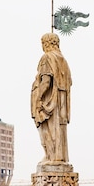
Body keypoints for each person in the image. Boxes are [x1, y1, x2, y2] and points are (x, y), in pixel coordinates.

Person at [31, 33, 72, 163]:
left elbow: (46, 81)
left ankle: (51, 156)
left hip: (49, 102)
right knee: (59, 129)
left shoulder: (47, 58)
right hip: (62, 103)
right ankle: (58, 156)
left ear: (46, 43)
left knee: (47, 128)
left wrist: (38, 98)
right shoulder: (64, 61)